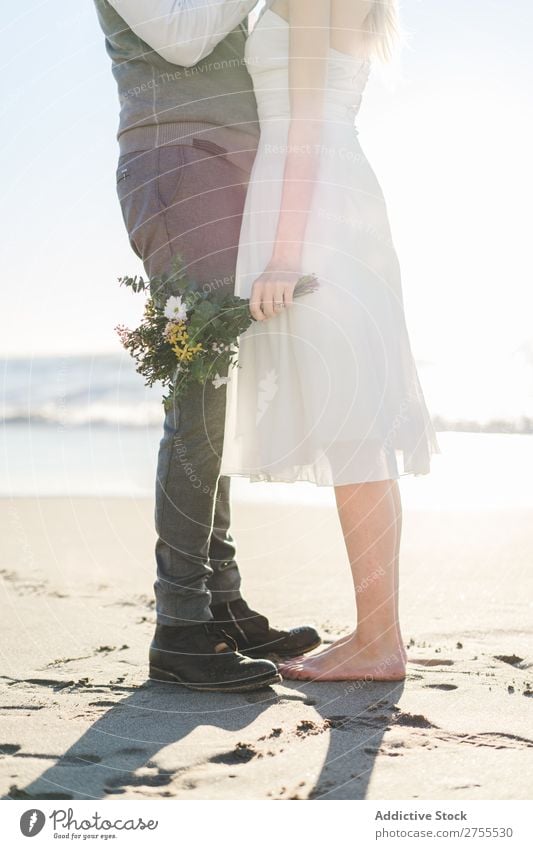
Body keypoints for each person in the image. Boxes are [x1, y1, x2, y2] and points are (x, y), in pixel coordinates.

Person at [93, 0, 321, 693]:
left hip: (222, 166)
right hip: (179, 160)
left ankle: (218, 601)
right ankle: (182, 623)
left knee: (217, 391)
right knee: (198, 389)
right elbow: (184, 40)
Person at [220, 0, 441, 680]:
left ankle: (378, 643)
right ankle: (377, 634)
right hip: (315, 193)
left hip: (316, 207)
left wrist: (285, 254)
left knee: (352, 424)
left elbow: (308, 122)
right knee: (355, 424)